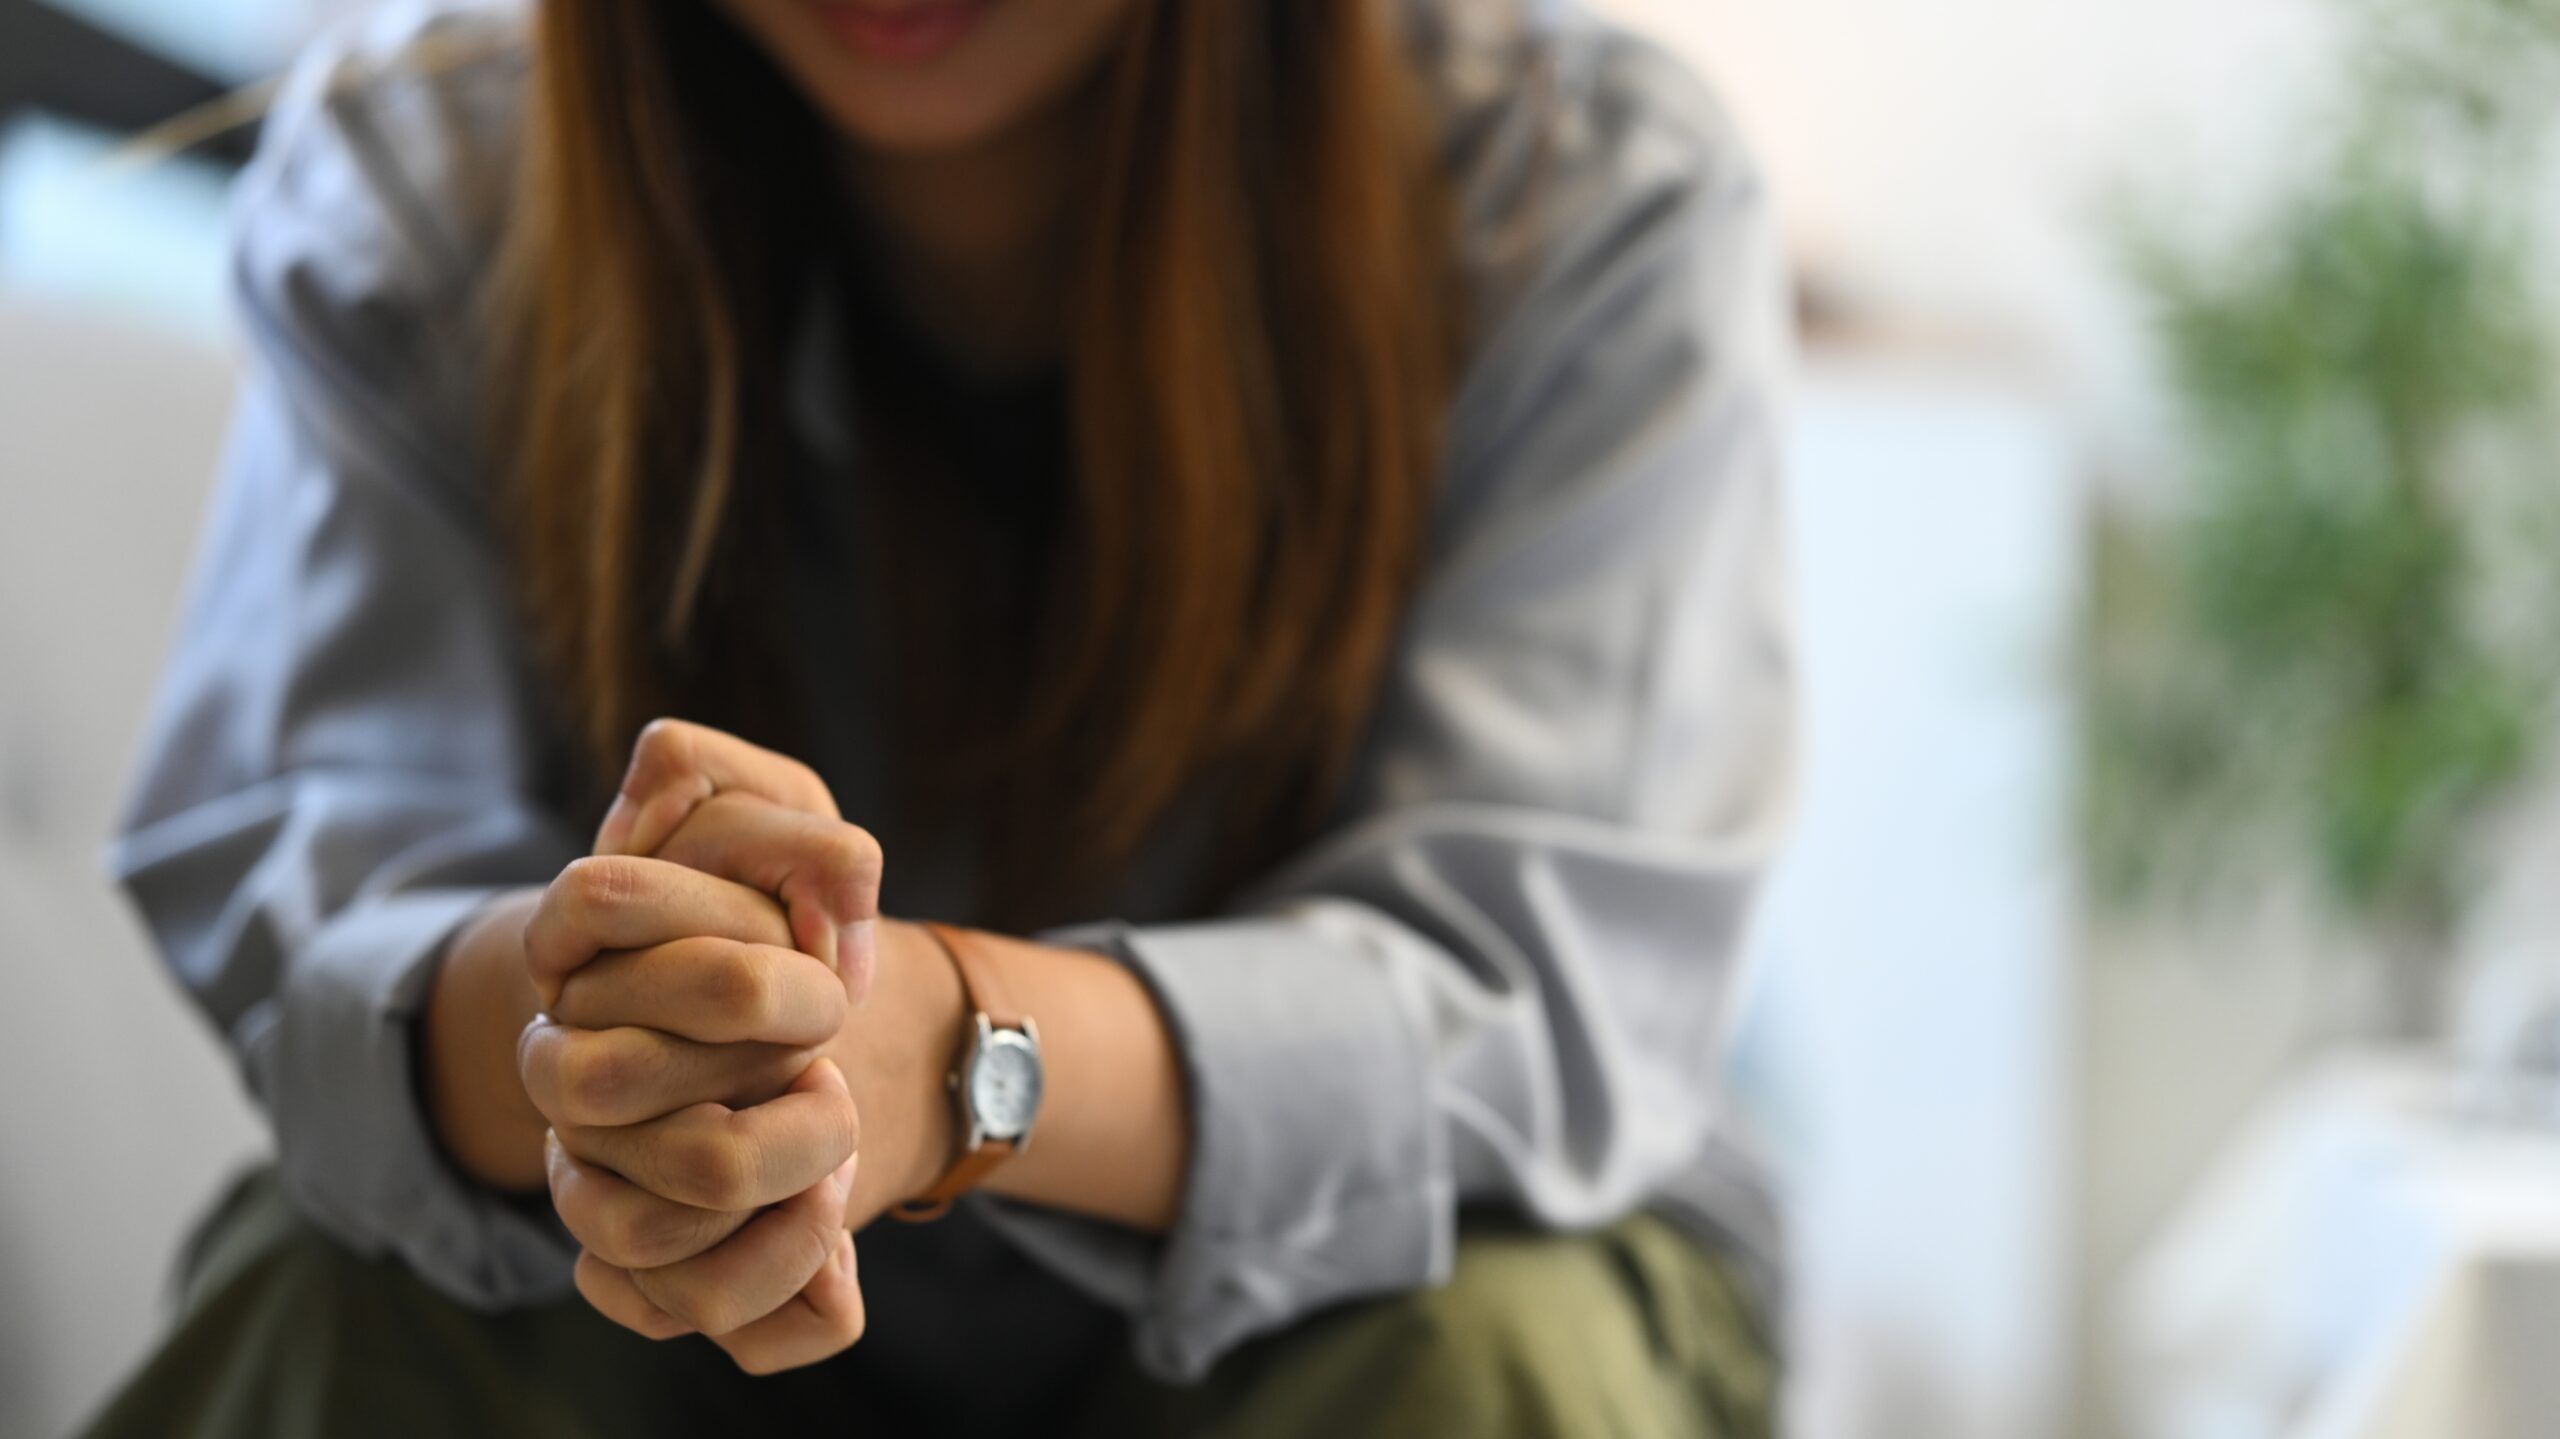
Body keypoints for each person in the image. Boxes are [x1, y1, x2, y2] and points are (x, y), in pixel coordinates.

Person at [86, 0, 1795, 1433]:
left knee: (1486, 1354)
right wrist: (639, 1038)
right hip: (651, 1281)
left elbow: (1526, 1005)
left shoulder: (1580, 191)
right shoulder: (429, 182)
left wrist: (951, 1050)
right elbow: (329, 927)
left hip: (1376, 1312)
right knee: (335, 1302)